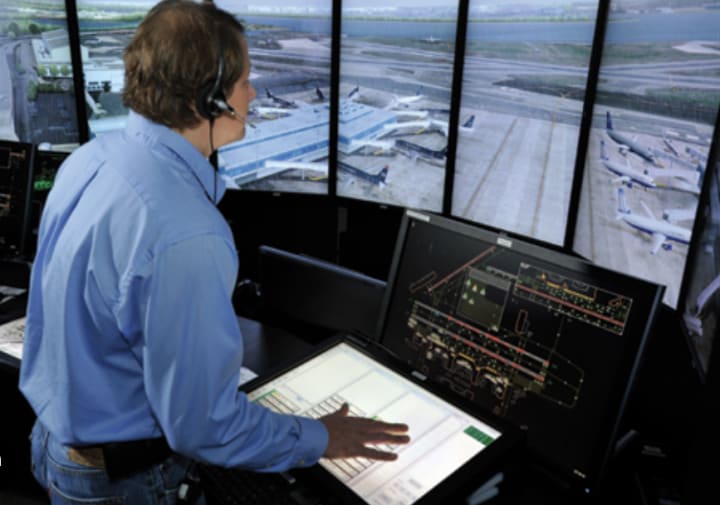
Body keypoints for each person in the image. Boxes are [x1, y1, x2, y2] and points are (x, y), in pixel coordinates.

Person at [19, 1, 409, 503]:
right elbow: (204, 427)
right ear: (210, 100)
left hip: (54, 445)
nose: (253, 93)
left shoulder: (90, 158)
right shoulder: (185, 231)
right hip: (121, 482)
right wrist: (321, 438)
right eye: (245, 80)